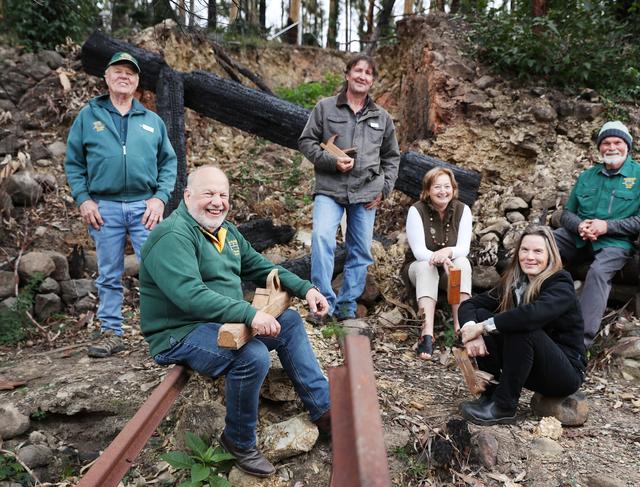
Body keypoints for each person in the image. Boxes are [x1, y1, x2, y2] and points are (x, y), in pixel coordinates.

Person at [139, 166, 331, 478]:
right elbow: (191, 296)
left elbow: (261, 267)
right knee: (252, 355)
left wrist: (305, 288)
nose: (217, 202)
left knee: (291, 322)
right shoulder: (173, 235)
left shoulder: (225, 231)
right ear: (187, 196)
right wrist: (251, 314)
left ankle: (323, 409)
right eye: (208, 194)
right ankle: (239, 441)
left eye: (223, 195)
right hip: (180, 331)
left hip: (220, 324)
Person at [64, 51, 177, 358]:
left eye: (130, 72)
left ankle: (165, 333)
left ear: (138, 81)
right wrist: (84, 200)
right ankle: (111, 332)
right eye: (118, 71)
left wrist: (159, 198)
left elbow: (168, 163)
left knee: (157, 269)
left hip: (146, 207)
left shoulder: (151, 121)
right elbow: (73, 163)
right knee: (109, 274)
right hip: (105, 208)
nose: (124, 76)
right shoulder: (89, 116)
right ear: (107, 77)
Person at [298, 54, 400, 322]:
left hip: (366, 192)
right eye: (358, 70)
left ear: (372, 80)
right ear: (347, 74)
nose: (362, 76)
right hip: (330, 189)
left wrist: (384, 188)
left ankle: (347, 307)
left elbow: (391, 157)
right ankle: (322, 304)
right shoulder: (325, 108)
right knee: (321, 238)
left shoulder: (382, 117)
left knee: (361, 249)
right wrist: (331, 162)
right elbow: (307, 142)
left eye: (368, 73)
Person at [457, 225, 586, 425]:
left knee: (520, 326)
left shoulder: (560, 283)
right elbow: (470, 304)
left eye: (537, 251)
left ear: (550, 255)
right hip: (528, 366)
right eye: (524, 250)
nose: (529, 256)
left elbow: (531, 316)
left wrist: (482, 327)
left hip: (564, 373)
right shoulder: (515, 282)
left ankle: (504, 407)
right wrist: (472, 329)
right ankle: (490, 395)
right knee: (483, 314)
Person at [554, 121, 640, 348]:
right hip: (578, 236)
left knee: (598, 272)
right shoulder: (587, 176)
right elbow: (567, 213)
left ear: (627, 146)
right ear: (599, 148)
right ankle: (518, 314)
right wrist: (579, 226)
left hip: (616, 242)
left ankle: (579, 343)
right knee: (541, 245)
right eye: (606, 143)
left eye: (617, 142)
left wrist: (607, 227)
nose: (611, 147)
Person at [403, 167, 472, 359]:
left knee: (463, 263)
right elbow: (419, 252)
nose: (443, 191)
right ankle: (426, 335)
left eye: (447, 186)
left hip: (449, 270)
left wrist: (448, 252)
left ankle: (462, 329)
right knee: (427, 266)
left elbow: (463, 247)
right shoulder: (416, 211)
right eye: (437, 187)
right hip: (419, 268)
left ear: (454, 188)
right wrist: (440, 258)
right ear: (427, 190)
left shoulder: (462, 210)